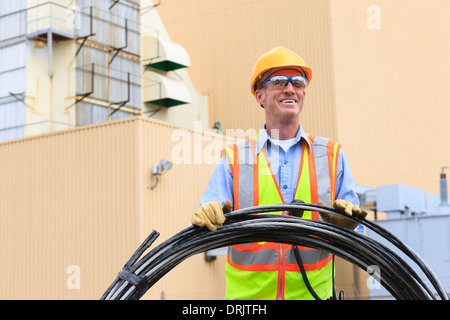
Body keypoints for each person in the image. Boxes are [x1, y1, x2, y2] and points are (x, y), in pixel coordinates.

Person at [191, 46, 367, 300]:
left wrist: (348, 227)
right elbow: (201, 228)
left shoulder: (332, 155)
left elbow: (361, 238)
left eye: (298, 82)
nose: (290, 88)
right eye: (278, 82)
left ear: (304, 95)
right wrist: (206, 217)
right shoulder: (234, 159)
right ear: (259, 95)